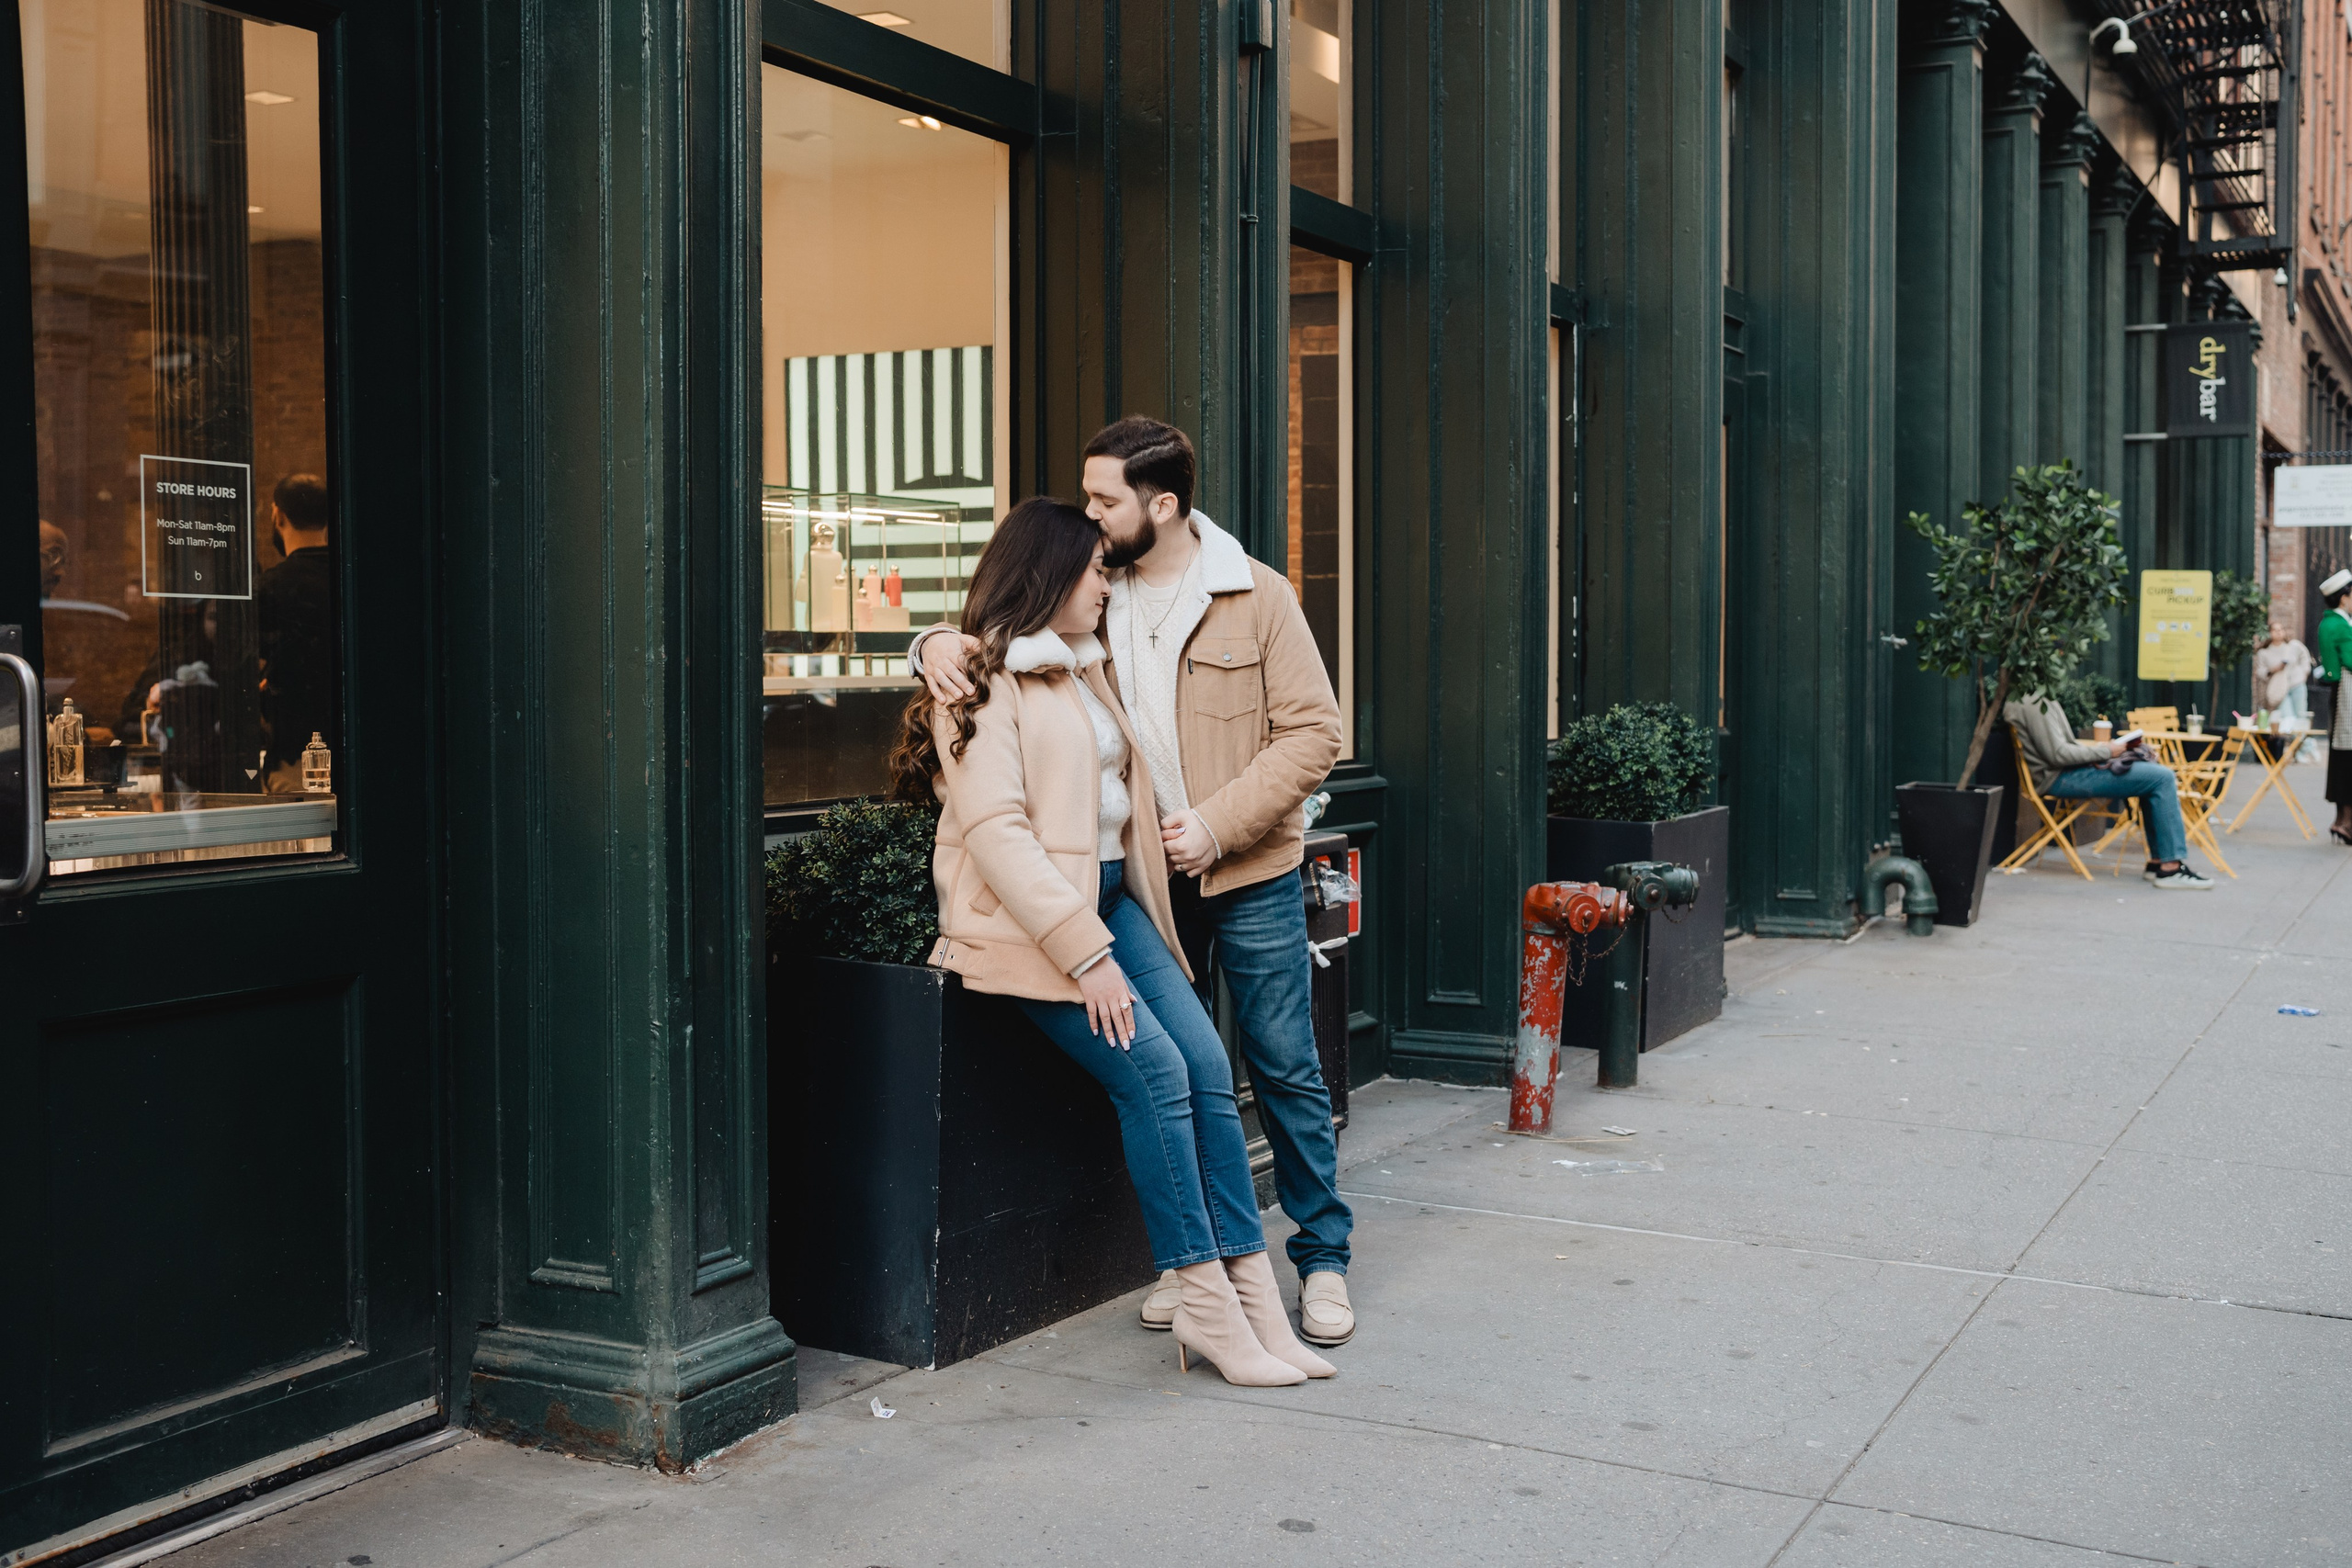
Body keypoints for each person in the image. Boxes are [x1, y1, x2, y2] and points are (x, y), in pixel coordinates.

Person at [915, 417, 1357, 1349]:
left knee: (1278, 1062)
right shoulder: (1094, 590)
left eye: (1106, 498)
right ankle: (1190, 1267)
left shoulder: (1255, 596)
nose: (1091, 512)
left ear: (1162, 506)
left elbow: (1317, 733)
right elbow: (1004, 634)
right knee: (1177, 1069)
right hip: (1138, 881)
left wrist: (1214, 823)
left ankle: (1320, 1260)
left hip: (1244, 866)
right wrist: (930, 642)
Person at [2006, 691, 2214, 888]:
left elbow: (2059, 751)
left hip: (2065, 774)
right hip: (2060, 778)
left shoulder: (2033, 697)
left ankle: (2159, 862)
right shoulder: (2033, 700)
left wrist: (2109, 751)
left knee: (2153, 775)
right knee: (2162, 777)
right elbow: (2058, 755)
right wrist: (2106, 751)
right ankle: (2170, 869)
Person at [255, 473, 335, 789]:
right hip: (355, 750)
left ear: (278, 515)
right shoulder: (353, 582)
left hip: (292, 754)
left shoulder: (270, 587)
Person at [2255, 621, 2320, 764]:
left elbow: (2305, 658)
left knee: (2301, 717)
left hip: (2297, 685)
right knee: (2289, 719)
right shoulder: (2265, 652)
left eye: (2280, 629)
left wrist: (2304, 672)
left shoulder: (2293, 646)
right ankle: (2303, 746)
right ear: (2270, 633)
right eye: (2274, 630)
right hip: (2280, 690)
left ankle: (2301, 751)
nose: (2278, 632)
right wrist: (2274, 669)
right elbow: (2260, 672)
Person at [2318, 567, 2352, 844]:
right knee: (2348, 756)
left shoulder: (2328, 623)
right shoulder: (2341, 625)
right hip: (2348, 696)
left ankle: (2342, 820)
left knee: (2341, 755)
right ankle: (2347, 823)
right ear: (2344, 598)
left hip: (2338, 693)